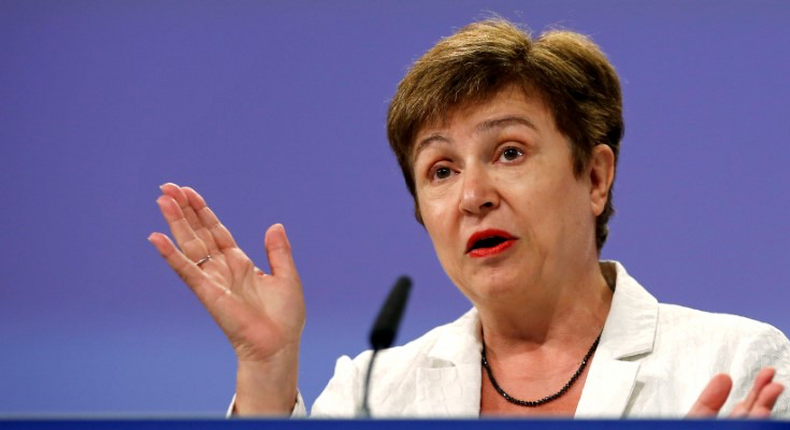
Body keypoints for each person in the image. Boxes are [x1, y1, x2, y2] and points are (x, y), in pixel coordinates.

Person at [148, 19, 789, 418]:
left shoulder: (739, 365)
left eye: (509, 152)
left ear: (594, 177)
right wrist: (266, 370)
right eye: (441, 170)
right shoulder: (374, 397)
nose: (472, 195)